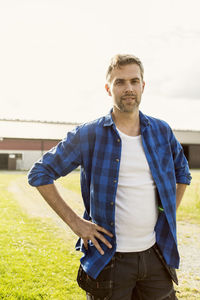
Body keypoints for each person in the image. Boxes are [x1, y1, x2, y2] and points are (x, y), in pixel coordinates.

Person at [28, 54, 192, 300]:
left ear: (143, 86)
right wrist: (76, 223)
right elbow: (40, 173)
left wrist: (166, 211)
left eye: (134, 81)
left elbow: (182, 173)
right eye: (120, 82)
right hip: (109, 259)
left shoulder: (161, 131)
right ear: (108, 88)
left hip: (155, 255)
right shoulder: (89, 134)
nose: (128, 88)